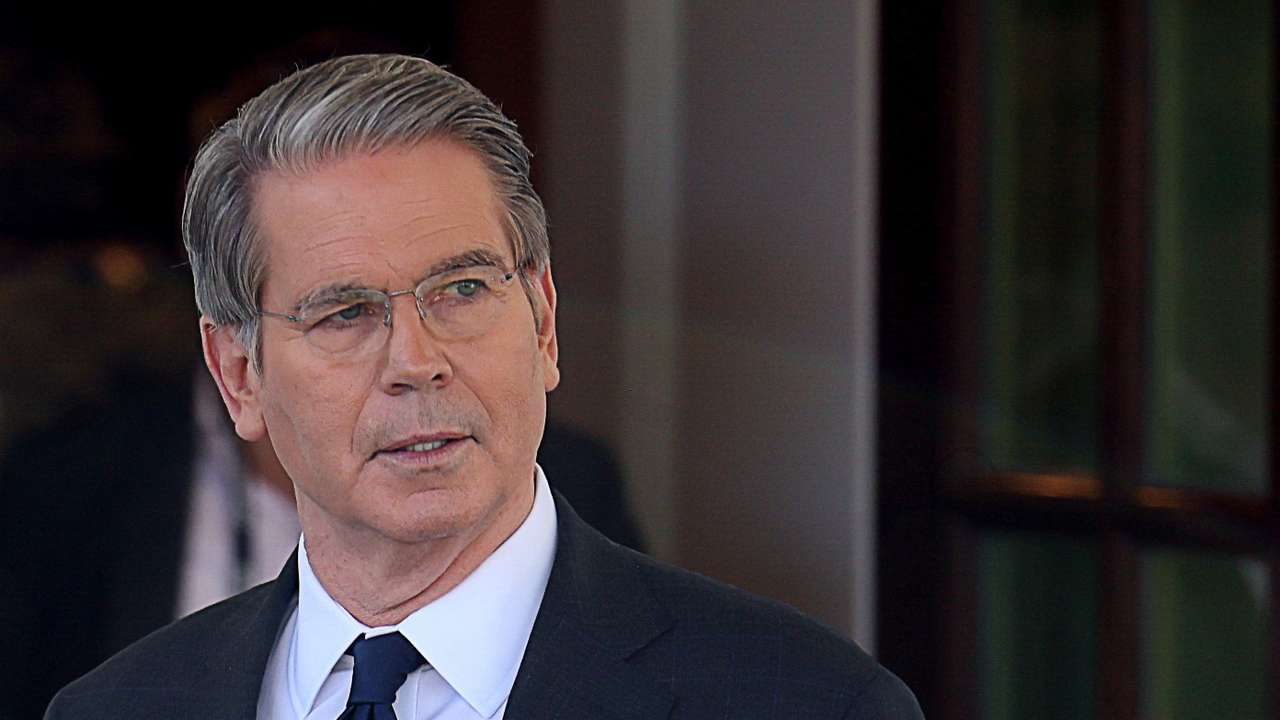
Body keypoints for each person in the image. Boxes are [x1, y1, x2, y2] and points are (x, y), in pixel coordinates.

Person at [43, 54, 922, 719]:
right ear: (239, 375)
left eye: (462, 290)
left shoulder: (809, 701)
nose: (416, 360)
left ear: (542, 323)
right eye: (345, 313)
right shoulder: (115, 708)